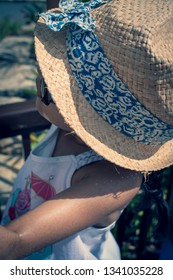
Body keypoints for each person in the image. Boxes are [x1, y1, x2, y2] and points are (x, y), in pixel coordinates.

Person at [0, 0, 173, 260]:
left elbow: (15, 242)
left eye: (49, 86)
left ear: (83, 121)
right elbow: (55, 8)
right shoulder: (69, 128)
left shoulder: (115, 181)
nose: (40, 75)